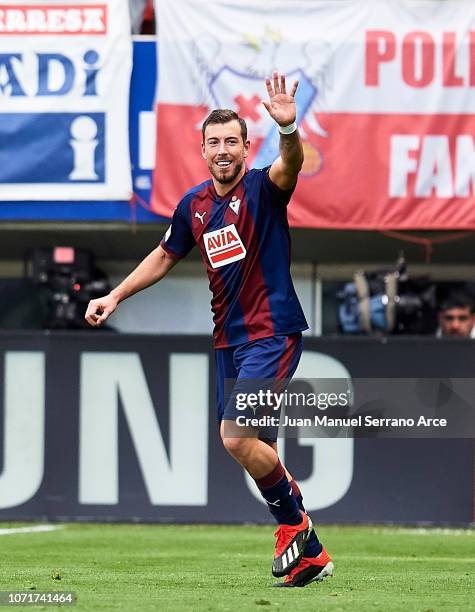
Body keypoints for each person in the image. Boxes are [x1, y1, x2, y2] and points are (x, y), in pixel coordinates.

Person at [85, 72, 333, 587]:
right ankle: (308, 552)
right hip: (229, 343)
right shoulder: (193, 205)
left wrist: (287, 130)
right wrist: (114, 295)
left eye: (232, 142)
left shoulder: (264, 188)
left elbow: (290, 166)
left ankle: (295, 524)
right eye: (214, 142)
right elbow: (163, 255)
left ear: (246, 147)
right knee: (257, 445)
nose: (223, 150)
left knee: (235, 437)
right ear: (203, 150)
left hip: (272, 332)